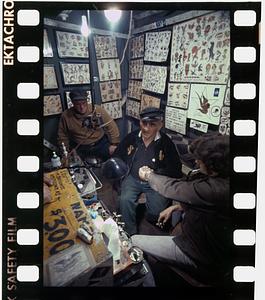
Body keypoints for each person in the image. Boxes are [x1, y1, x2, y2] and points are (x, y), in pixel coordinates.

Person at [132, 134, 230, 286]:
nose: (196, 162)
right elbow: (202, 201)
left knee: (134, 241)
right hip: (205, 232)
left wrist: (148, 175)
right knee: (175, 216)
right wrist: (178, 206)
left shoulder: (218, 189)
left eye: (199, 160)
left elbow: (173, 187)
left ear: (213, 165)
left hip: (200, 253)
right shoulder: (222, 177)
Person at [113, 107, 182, 235]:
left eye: (152, 124)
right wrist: (120, 174)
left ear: (160, 125)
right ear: (139, 121)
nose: (146, 128)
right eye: (144, 123)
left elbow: (176, 170)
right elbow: (117, 156)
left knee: (156, 214)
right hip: (132, 178)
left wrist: (154, 174)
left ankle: (152, 222)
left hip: (155, 182)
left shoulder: (166, 143)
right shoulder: (131, 137)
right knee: (125, 200)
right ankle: (130, 234)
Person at [58, 89, 120, 161]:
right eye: (78, 104)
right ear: (72, 103)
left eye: (84, 103)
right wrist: (65, 153)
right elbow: (62, 136)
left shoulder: (97, 110)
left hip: (100, 144)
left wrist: (114, 144)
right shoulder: (66, 116)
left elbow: (111, 126)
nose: (81, 107)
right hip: (81, 148)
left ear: (87, 101)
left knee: (114, 158)